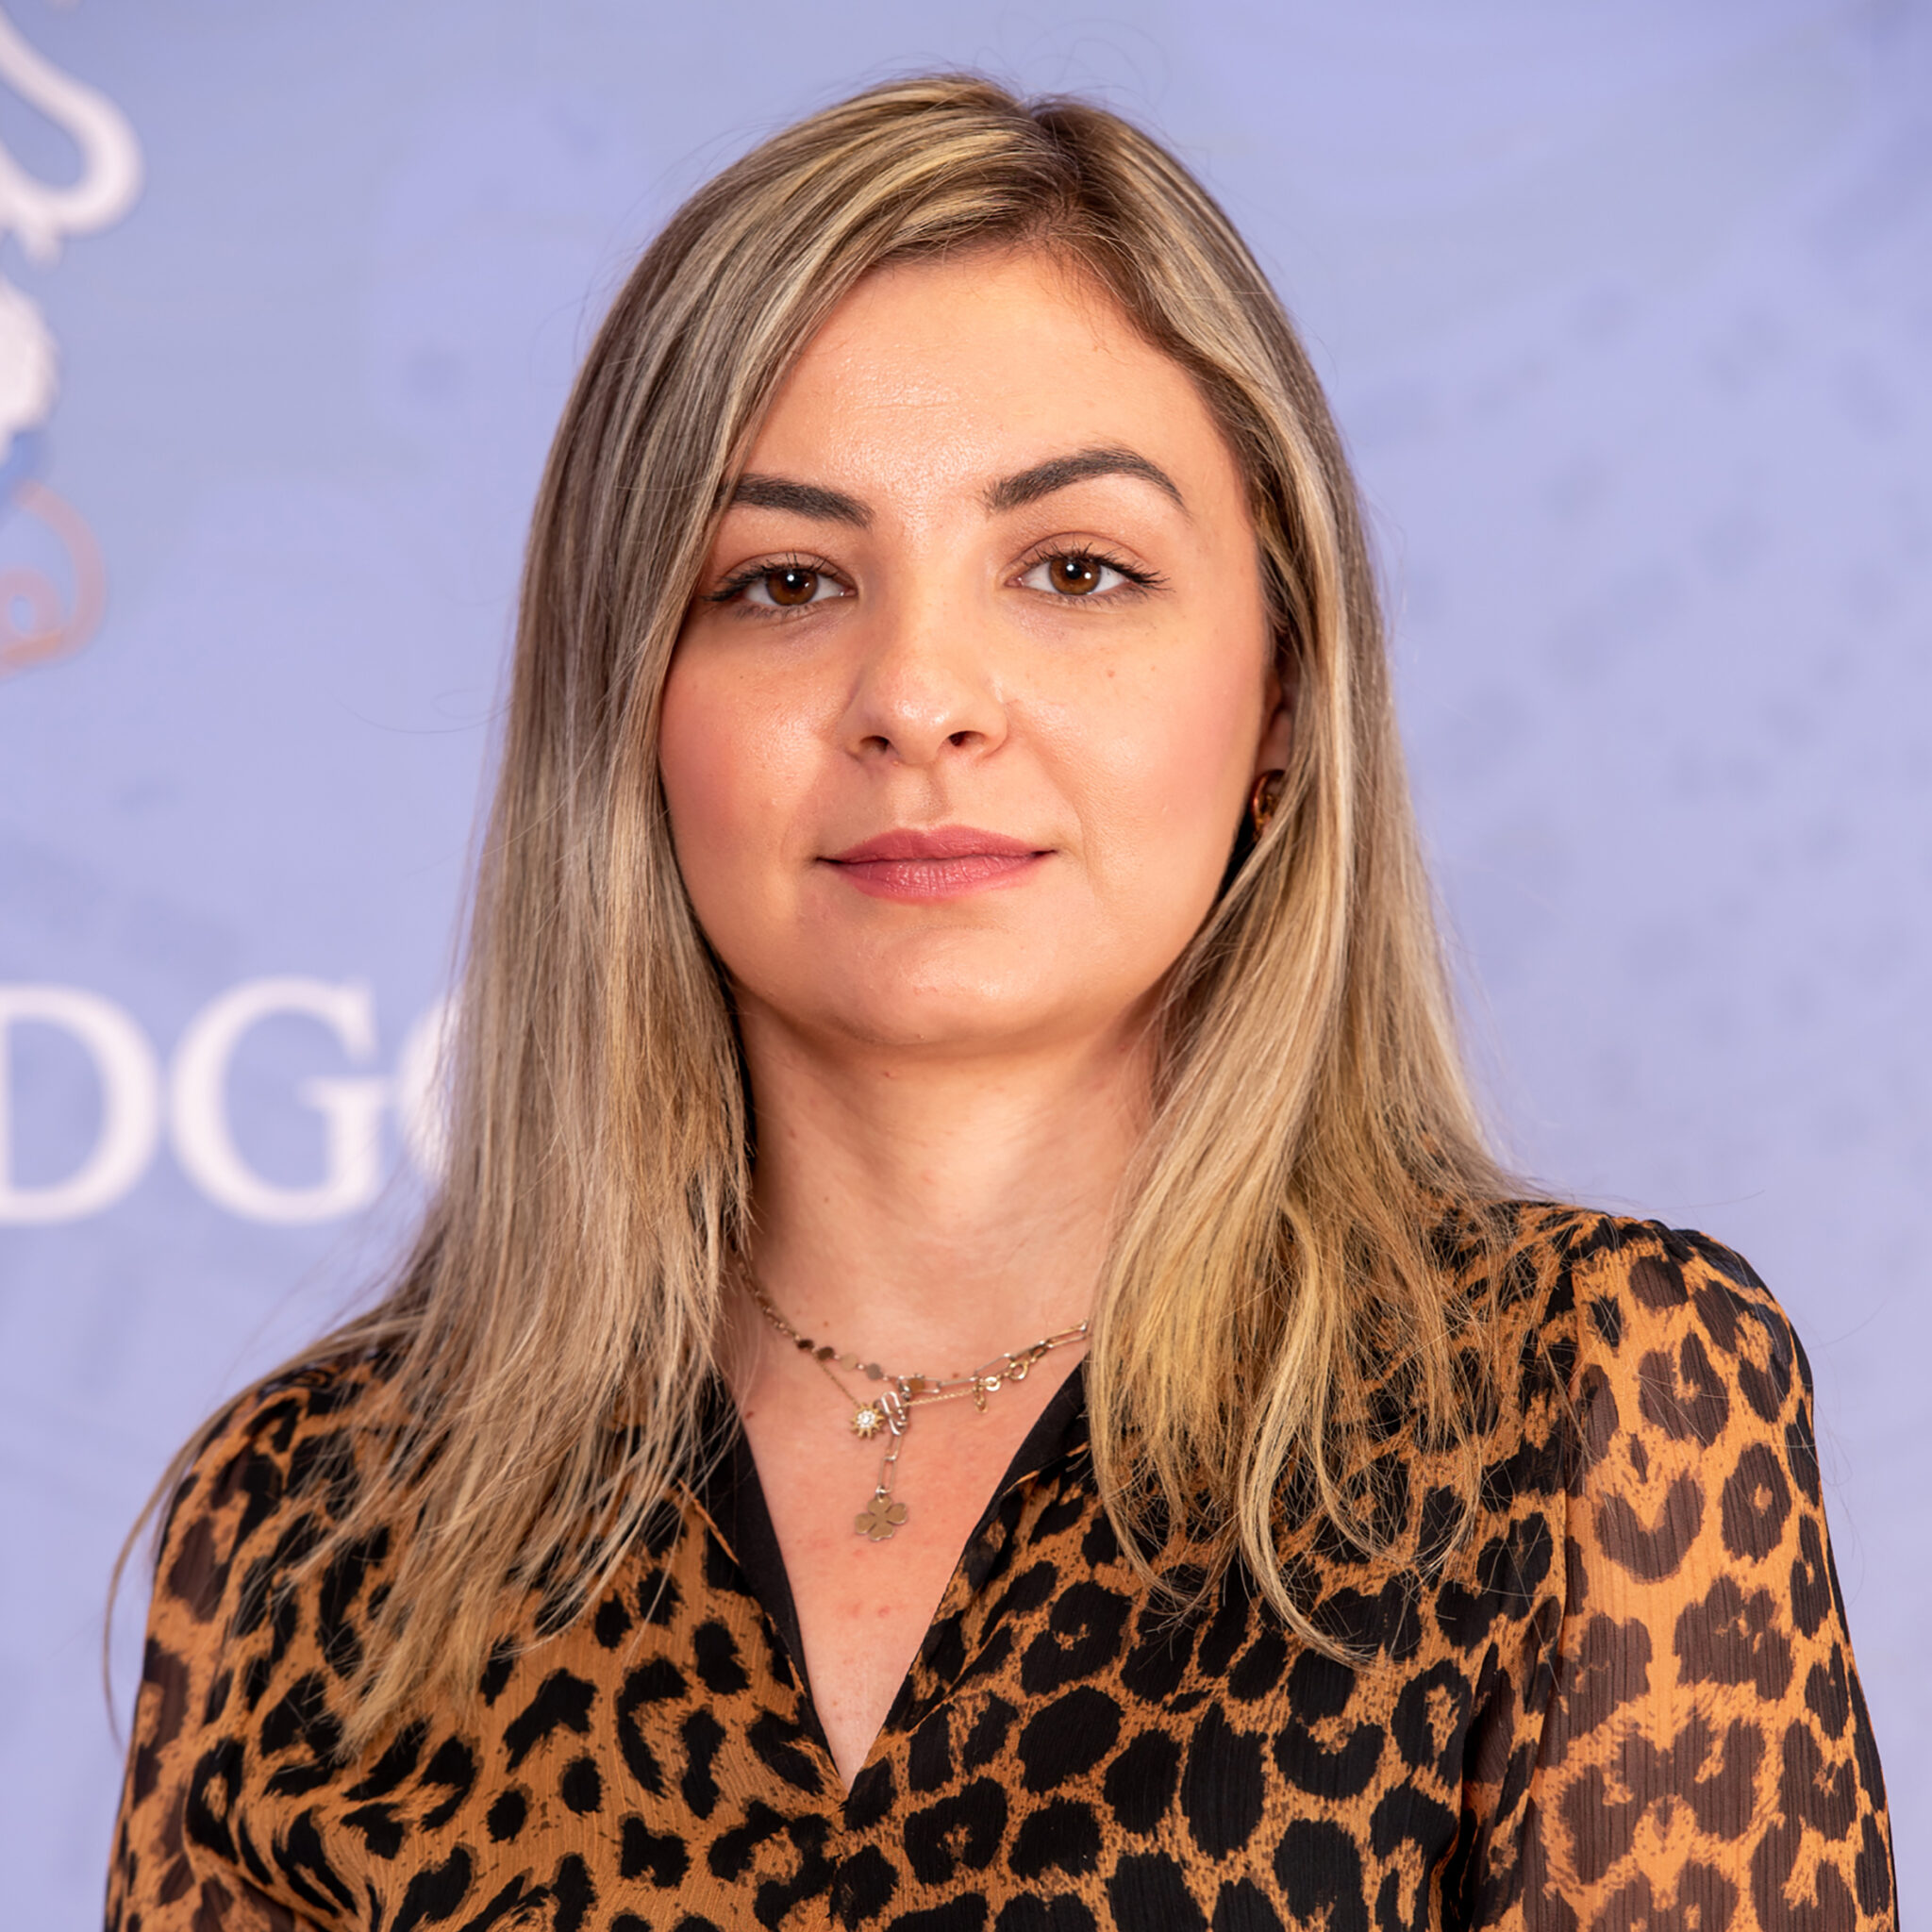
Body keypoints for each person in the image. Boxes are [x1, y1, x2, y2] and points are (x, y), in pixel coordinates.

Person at [108, 75, 1895, 1932]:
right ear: (629, 710)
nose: (920, 697)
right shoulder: (308, 1532)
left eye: (1074, 570)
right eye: (784, 582)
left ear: (1282, 698)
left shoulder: (1578, 1393)